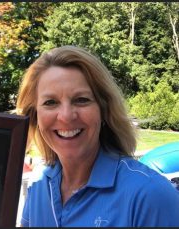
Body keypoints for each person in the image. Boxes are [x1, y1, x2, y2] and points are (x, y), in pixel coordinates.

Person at [16, 45, 179, 227]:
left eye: (82, 100)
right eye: (50, 102)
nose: (66, 116)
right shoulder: (39, 186)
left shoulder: (150, 195)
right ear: (35, 115)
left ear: (104, 110)